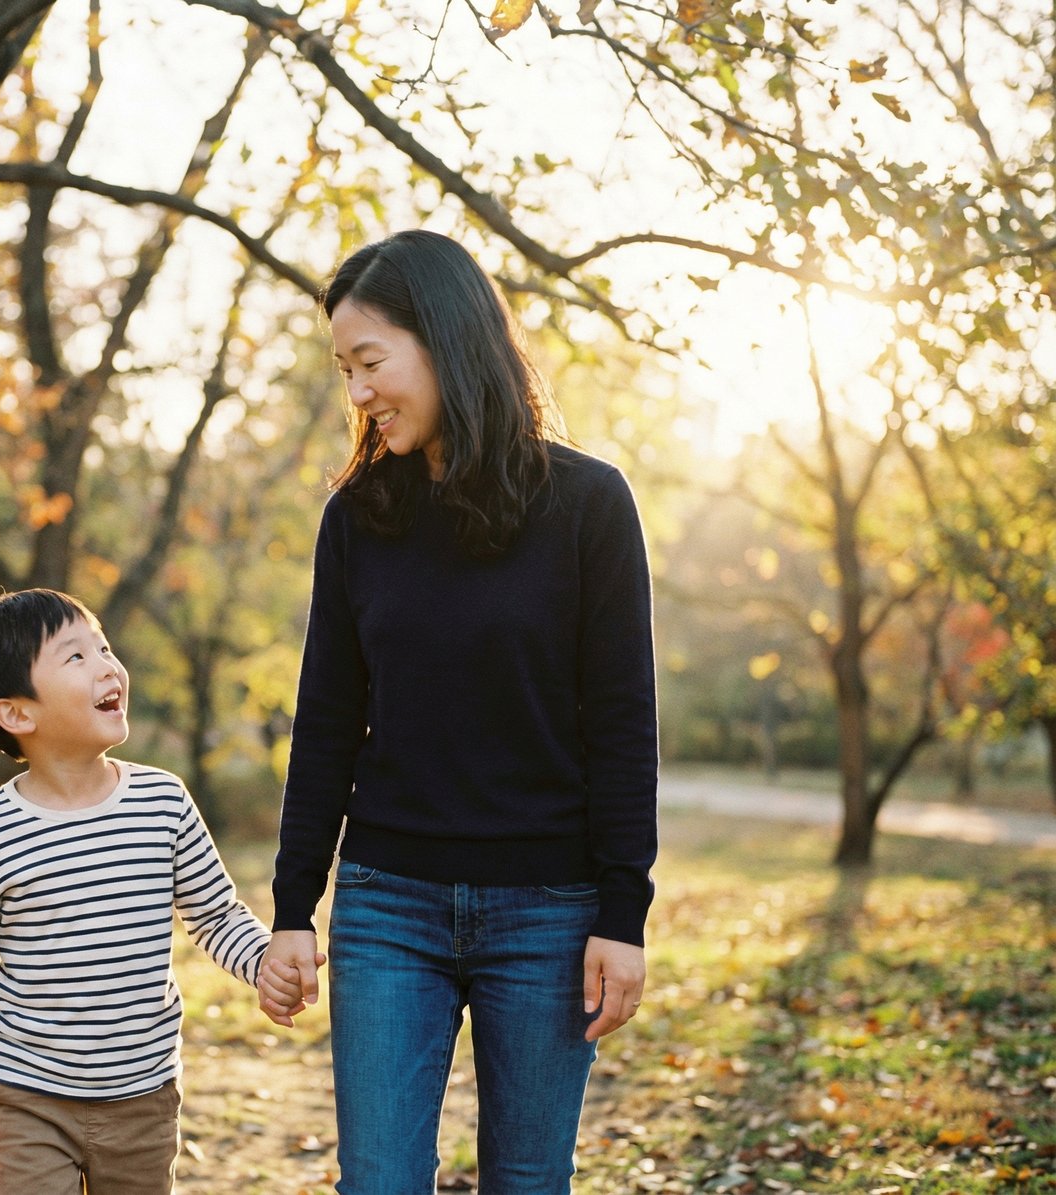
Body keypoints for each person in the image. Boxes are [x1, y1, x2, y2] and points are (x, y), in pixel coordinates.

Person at [254, 230, 659, 1194]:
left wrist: (624, 912)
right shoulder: (358, 516)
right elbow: (326, 720)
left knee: (527, 1178)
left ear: (444, 340)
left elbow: (622, 722)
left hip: (551, 912)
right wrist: (291, 907)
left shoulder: (590, 505)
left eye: (370, 362)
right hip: (390, 902)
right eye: (344, 369)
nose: (356, 392)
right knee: (379, 1180)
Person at [0, 588, 282, 1195]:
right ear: (17, 715)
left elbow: (215, 916)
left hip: (144, 1095)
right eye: (76, 657)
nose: (109, 665)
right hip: (26, 1095)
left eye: (105, 646)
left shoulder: (162, 803)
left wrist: (265, 962)